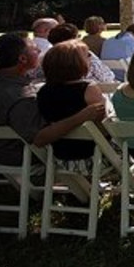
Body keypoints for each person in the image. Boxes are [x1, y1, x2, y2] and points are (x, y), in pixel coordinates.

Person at [0, 33, 105, 166]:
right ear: (22, 59)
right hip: (20, 158)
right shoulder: (21, 97)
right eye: (34, 48)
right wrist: (82, 116)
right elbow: (39, 138)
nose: (39, 50)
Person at [36, 40, 107, 171]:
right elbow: (102, 127)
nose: (91, 57)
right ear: (76, 64)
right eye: (87, 55)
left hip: (59, 158)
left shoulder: (43, 92)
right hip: (93, 158)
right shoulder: (89, 89)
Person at [48, 23, 115, 83]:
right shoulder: (85, 54)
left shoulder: (49, 56)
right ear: (74, 39)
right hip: (88, 92)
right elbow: (106, 77)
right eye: (78, 36)